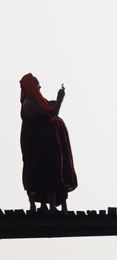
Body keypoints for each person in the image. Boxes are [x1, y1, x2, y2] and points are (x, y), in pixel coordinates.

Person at [19, 73, 78, 212]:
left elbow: (48, 107)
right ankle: (37, 206)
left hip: (44, 146)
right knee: (36, 173)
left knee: (49, 172)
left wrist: (56, 101)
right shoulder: (29, 103)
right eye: (36, 85)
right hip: (35, 146)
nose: (39, 88)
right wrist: (59, 99)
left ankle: (48, 205)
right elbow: (52, 112)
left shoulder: (37, 101)